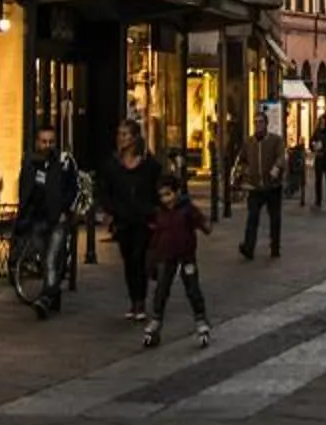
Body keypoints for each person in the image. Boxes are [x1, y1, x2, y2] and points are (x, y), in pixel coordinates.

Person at [12, 123, 82, 318]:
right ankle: (54, 294)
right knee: (44, 259)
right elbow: (25, 189)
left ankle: (45, 299)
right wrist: (23, 213)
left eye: (51, 141)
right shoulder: (30, 162)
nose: (47, 145)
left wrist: (66, 210)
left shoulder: (64, 162)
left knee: (51, 259)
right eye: (43, 141)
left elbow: (74, 188)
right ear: (37, 142)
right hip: (37, 218)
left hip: (57, 218)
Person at [96, 116, 162, 322]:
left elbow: (158, 188)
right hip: (123, 219)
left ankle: (140, 301)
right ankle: (134, 300)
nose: (120, 138)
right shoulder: (113, 165)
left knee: (140, 259)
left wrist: (156, 212)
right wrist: (109, 210)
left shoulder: (148, 165)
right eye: (119, 134)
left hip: (144, 219)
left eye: (125, 134)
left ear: (134, 138)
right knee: (128, 261)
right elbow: (105, 190)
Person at [142, 170, 212, 349]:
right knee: (162, 289)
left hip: (186, 255)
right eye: (162, 196)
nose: (166, 199)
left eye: (168, 194)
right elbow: (156, 235)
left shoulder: (186, 209)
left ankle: (200, 319)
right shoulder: (160, 213)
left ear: (176, 192)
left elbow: (200, 220)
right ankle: (156, 320)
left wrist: (204, 225)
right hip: (166, 256)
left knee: (192, 288)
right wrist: (152, 256)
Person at [235, 114, 288, 259]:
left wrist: (276, 168)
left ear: (266, 124)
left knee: (275, 218)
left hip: (273, 186)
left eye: (261, 122)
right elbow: (242, 160)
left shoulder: (275, 140)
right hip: (255, 187)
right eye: (256, 122)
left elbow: (281, 156)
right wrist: (242, 174)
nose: (258, 125)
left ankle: (275, 247)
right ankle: (248, 247)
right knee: (252, 217)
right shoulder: (249, 142)